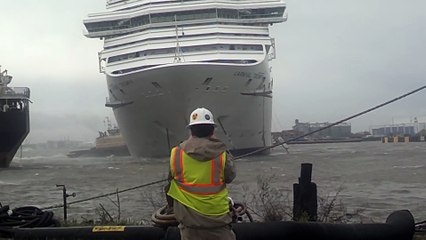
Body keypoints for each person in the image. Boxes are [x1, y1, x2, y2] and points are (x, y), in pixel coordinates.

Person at [167, 107, 236, 240]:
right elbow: (230, 176)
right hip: (218, 220)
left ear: (191, 130)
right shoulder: (222, 153)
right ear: (213, 130)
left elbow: (169, 183)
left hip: (189, 223)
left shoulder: (176, 153)